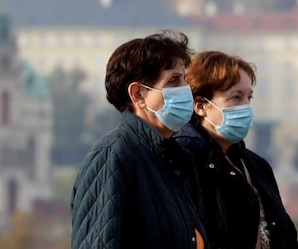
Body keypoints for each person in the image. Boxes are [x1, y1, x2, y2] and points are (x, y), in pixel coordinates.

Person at [71, 30, 207, 249]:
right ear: (137, 95)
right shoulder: (112, 157)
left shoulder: (170, 159)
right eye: (173, 81)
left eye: (185, 80)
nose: (186, 91)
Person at [173, 50, 298, 249]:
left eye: (248, 97)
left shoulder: (256, 165)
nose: (246, 107)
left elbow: (286, 237)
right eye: (236, 97)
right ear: (200, 105)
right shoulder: (183, 161)